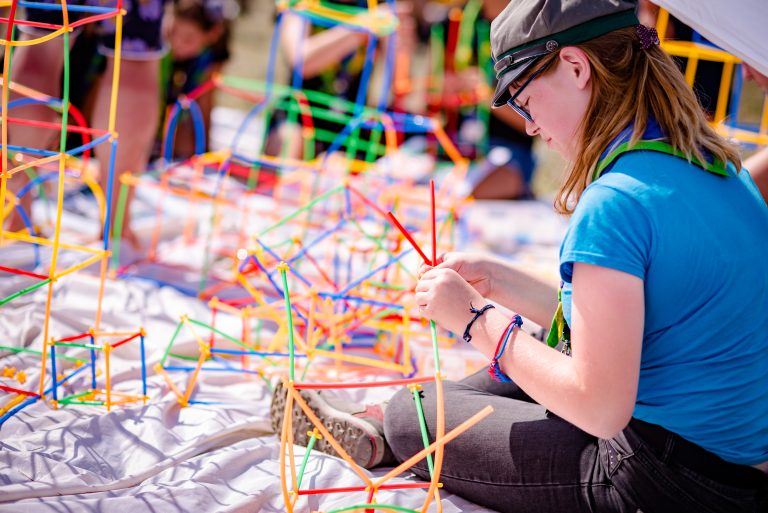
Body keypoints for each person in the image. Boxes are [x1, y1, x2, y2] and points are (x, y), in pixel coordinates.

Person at [271, 1, 768, 511]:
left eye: (526, 101)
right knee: (524, 355)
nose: (528, 125)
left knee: (412, 415)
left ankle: (386, 424)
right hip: (732, 466)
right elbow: (629, 313)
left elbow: (599, 408)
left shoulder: (616, 202)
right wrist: (499, 280)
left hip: (664, 481)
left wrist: (476, 321)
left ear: (576, 67)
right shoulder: (716, 164)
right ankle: (381, 422)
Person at [159, 0, 231, 160]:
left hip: (181, 111)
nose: (177, 44)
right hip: (157, 111)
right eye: (173, 32)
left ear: (212, 35)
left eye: (188, 39)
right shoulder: (161, 51)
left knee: (186, 146)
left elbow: (205, 103)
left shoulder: (209, 60)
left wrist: (204, 152)